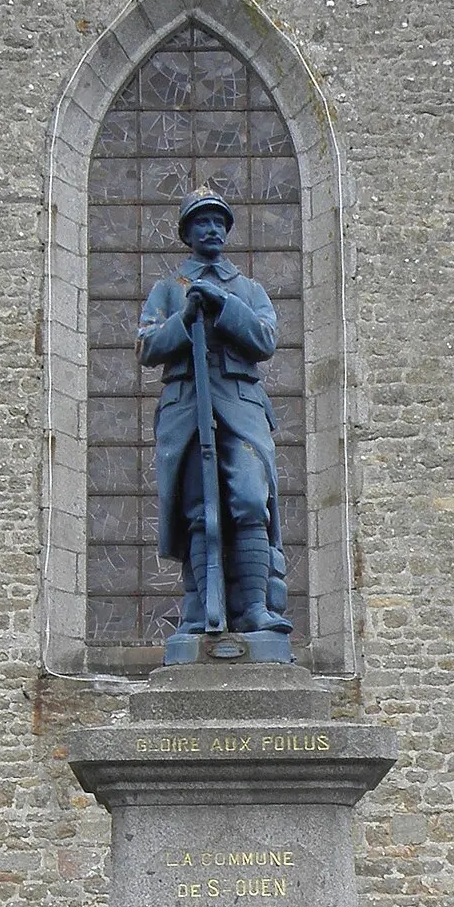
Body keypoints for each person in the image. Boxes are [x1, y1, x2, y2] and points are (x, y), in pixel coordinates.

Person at [136, 188, 290, 639]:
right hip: (187, 407)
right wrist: (186, 317)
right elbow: (147, 346)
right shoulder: (167, 289)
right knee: (200, 511)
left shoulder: (249, 289)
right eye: (202, 223)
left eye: (219, 223)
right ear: (188, 233)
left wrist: (223, 305)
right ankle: (204, 610)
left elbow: (264, 340)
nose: (212, 230)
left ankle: (255, 609)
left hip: (241, 406)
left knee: (248, 498)